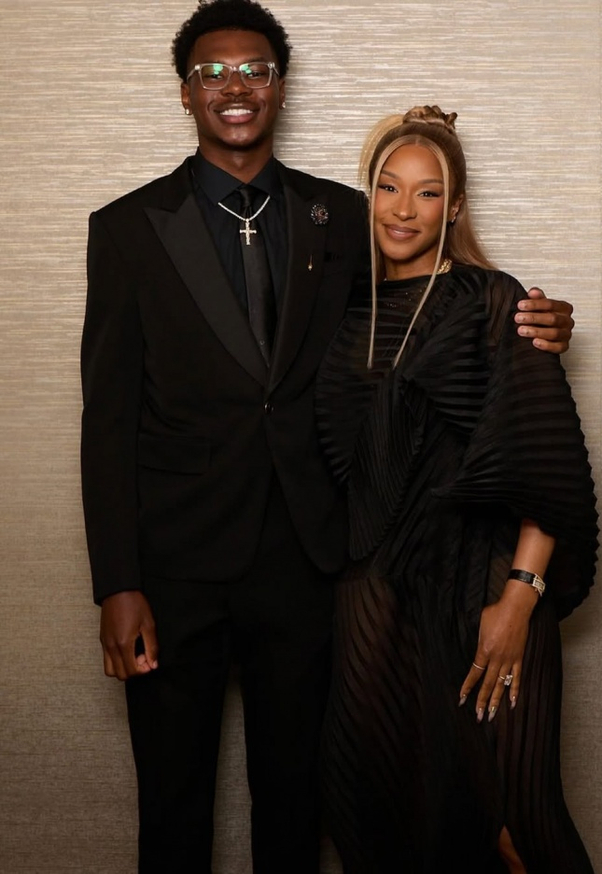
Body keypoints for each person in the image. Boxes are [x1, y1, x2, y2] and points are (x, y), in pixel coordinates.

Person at [80, 0, 577, 869]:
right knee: (171, 805)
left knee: (299, 807)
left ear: (280, 86)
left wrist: (538, 323)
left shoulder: (342, 217)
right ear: (186, 92)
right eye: (212, 72)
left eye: (255, 70)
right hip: (175, 569)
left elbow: (433, 292)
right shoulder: (126, 229)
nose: (236, 86)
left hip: (312, 569)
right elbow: (108, 416)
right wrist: (117, 584)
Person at [316, 106, 599, 874]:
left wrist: (518, 601)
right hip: (379, 605)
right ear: (367, 195)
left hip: (485, 593)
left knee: (521, 825)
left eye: (428, 191)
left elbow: (545, 462)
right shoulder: (339, 311)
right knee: (386, 821)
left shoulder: (493, 300)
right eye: (388, 187)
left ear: (456, 207)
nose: (404, 209)